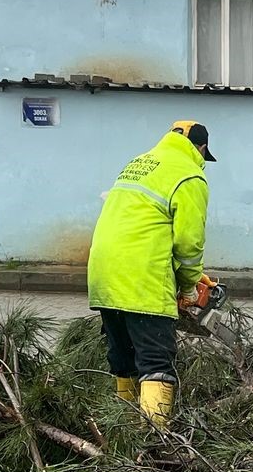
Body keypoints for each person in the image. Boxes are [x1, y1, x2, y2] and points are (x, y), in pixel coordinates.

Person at [86, 119, 213, 423]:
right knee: (156, 363)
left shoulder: (138, 163)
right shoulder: (190, 175)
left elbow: (144, 227)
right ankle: (153, 446)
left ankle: (124, 434)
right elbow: (189, 242)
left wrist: (192, 277)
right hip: (142, 279)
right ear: (202, 148)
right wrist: (189, 287)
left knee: (124, 359)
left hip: (104, 275)